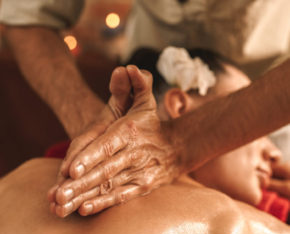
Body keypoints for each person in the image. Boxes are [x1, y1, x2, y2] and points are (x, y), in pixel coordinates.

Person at [1, 0, 290, 216]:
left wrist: (180, 143)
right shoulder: (68, 172)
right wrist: (99, 132)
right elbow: (26, 14)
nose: (272, 151)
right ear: (178, 104)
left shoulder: (269, 202)